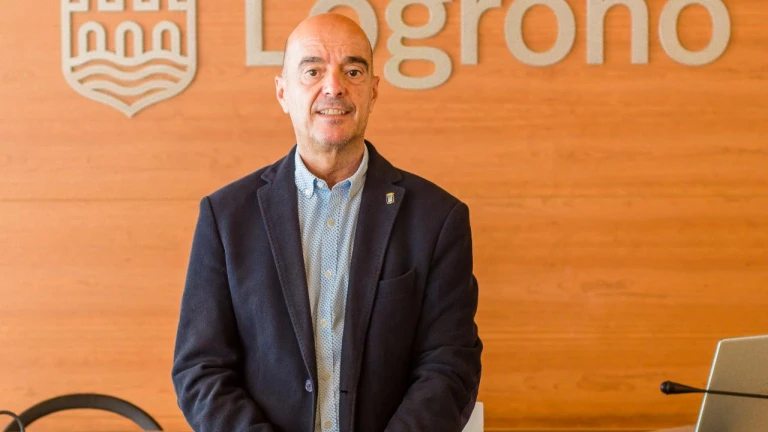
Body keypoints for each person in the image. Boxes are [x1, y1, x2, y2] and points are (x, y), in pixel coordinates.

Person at [171, 13, 482, 432]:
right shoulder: (226, 217)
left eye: (353, 71)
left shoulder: (438, 219)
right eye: (313, 71)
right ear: (283, 92)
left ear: (373, 91)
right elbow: (200, 369)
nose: (334, 87)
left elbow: (450, 364)